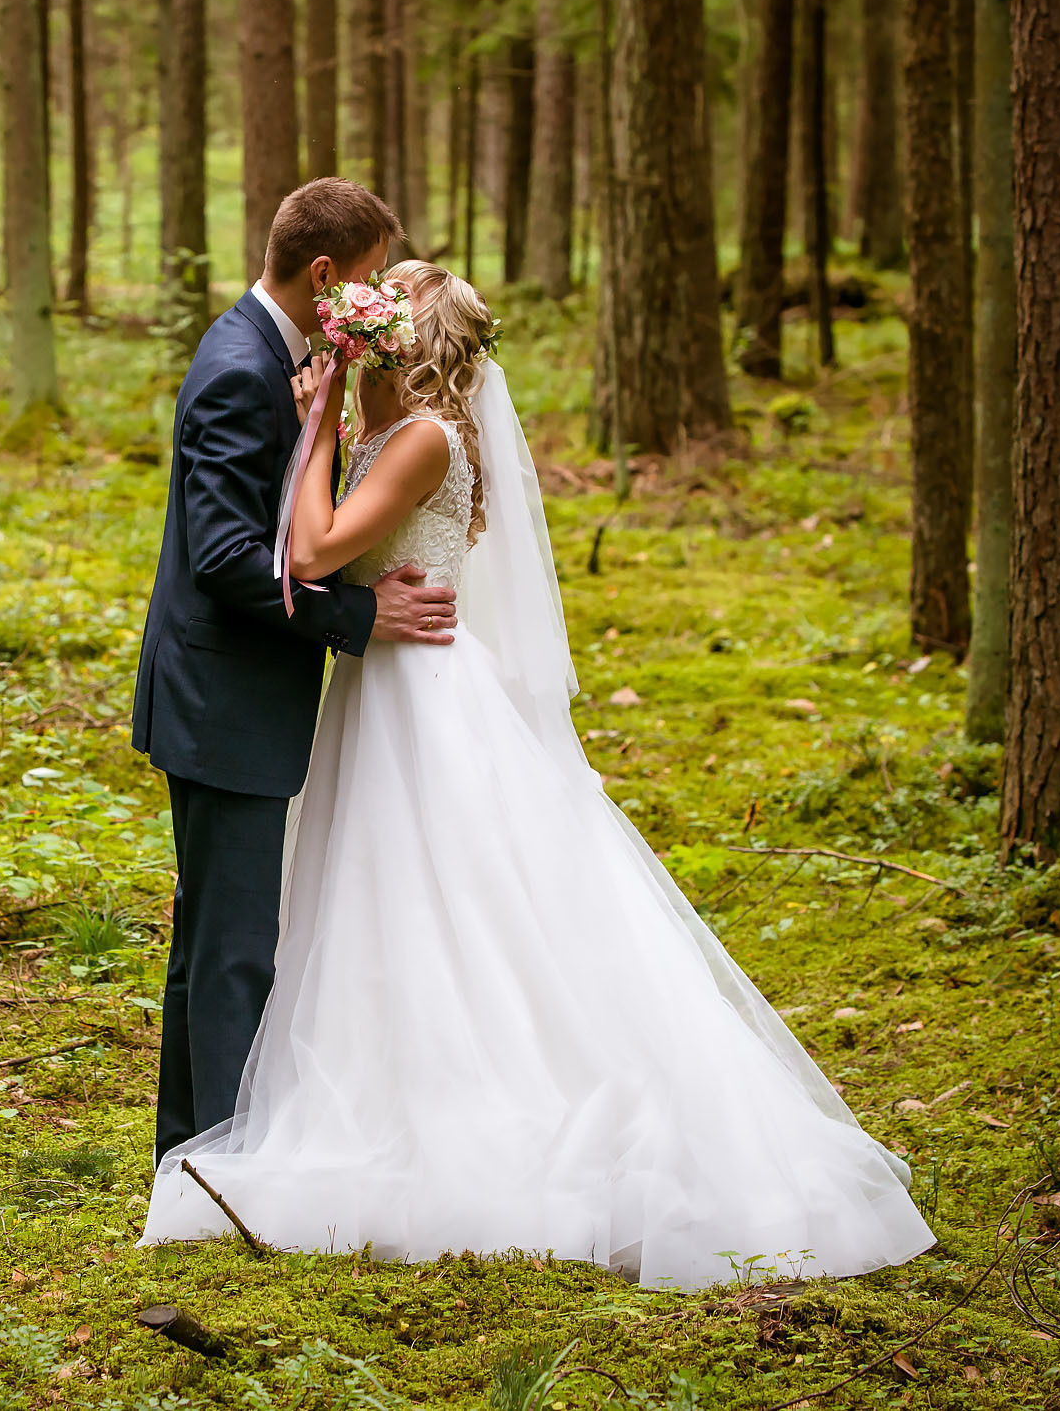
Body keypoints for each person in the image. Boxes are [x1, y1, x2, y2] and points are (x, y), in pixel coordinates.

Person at [137, 261, 939, 1290]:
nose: (350, 340)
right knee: (377, 905)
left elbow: (318, 547)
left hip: (420, 700)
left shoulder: (421, 438)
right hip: (388, 691)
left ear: (402, 345)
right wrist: (333, 426)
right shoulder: (405, 431)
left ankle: (457, 1107)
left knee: (445, 906)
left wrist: (317, 426)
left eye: (372, 329)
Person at [132, 178, 460, 1169]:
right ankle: (222, 1172)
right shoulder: (241, 369)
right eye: (368, 284)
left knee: (208, 950)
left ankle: (190, 1156)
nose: (378, 307)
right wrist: (361, 614)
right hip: (224, 699)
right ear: (326, 275)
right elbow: (231, 562)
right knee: (230, 955)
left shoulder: (267, 353)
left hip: (218, 693)